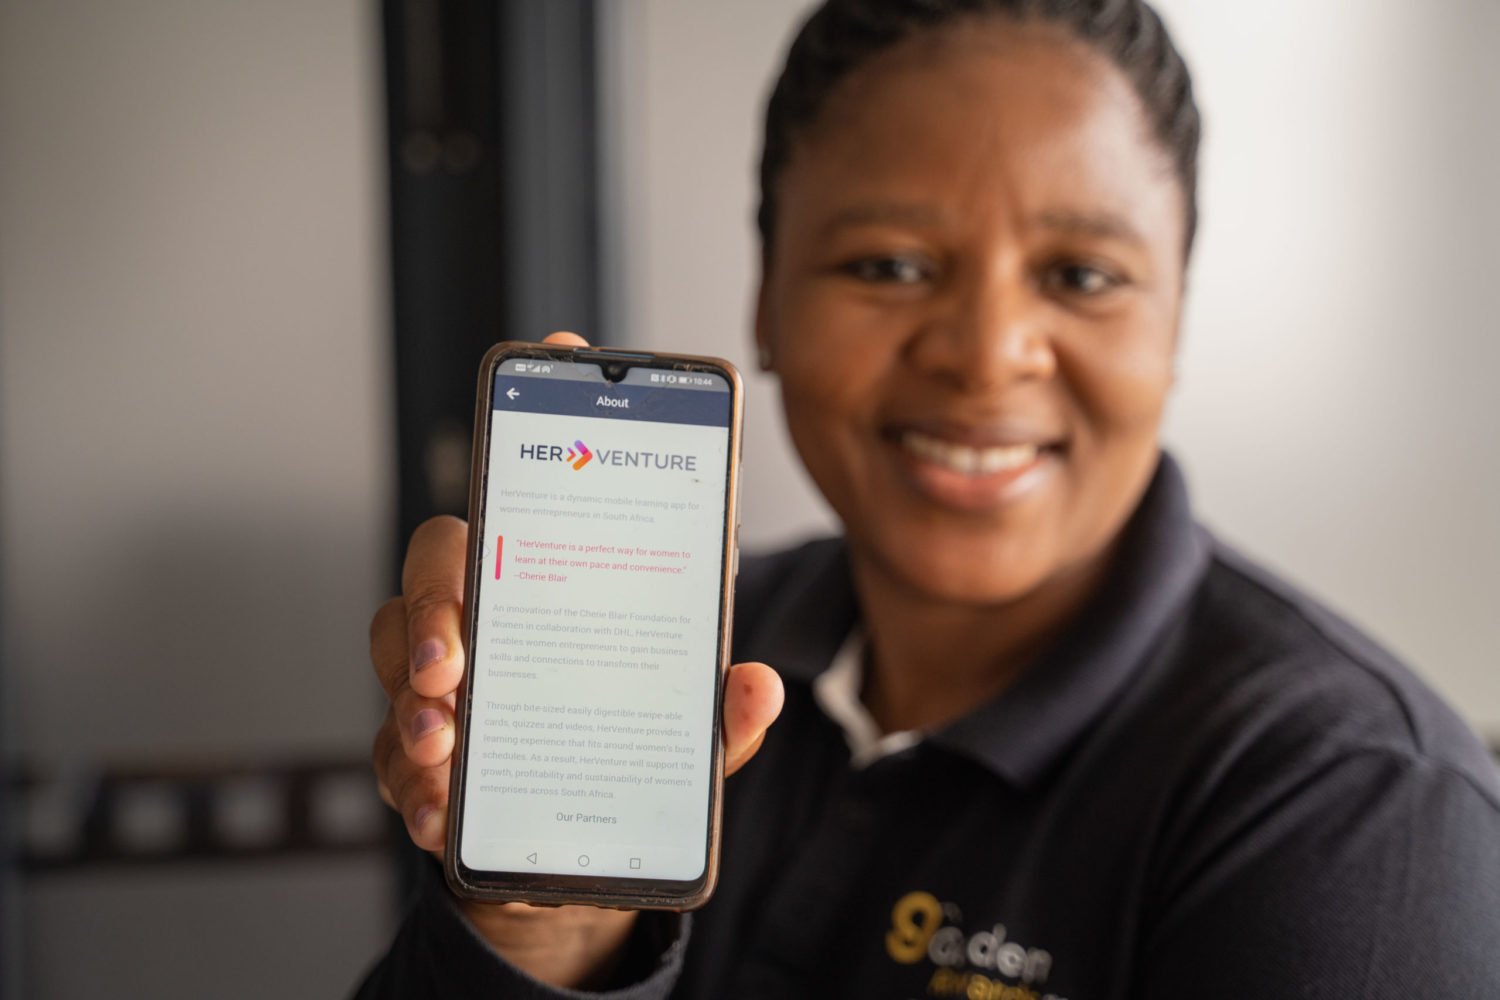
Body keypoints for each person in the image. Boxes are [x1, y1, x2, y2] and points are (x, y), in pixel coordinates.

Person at [356, 1, 1500, 996]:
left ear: (1175, 318)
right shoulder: (686, 660)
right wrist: (546, 939)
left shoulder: (1355, 813)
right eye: (891, 265)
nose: (988, 355)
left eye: (1082, 276)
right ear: (766, 299)